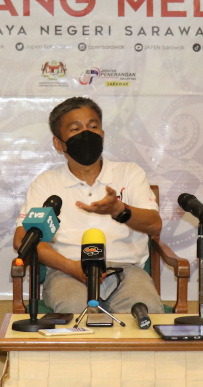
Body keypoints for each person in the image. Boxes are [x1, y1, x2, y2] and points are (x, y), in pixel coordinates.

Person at [14, 97, 165, 314]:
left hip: (126, 271)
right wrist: (71, 267)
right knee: (76, 311)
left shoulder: (129, 173)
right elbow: (22, 238)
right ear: (59, 143)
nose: (87, 134)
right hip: (66, 271)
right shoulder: (47, 183)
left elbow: (154, 225)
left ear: (102, 135)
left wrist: (119, 210)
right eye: (76, 129)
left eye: (93, 127)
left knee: (146, 310)